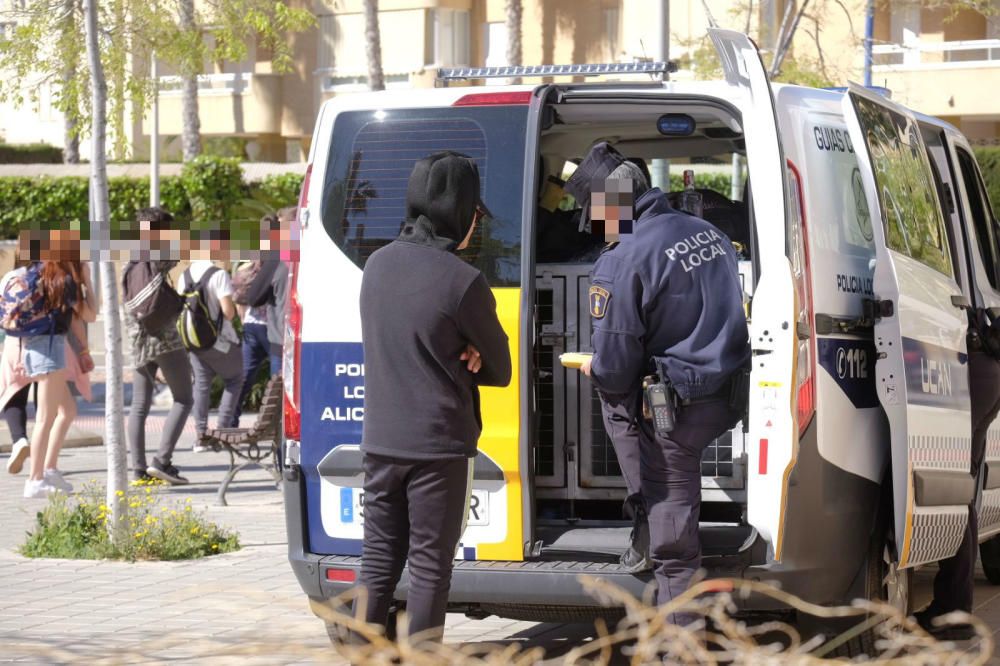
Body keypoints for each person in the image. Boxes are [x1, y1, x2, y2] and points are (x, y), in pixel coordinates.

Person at [565, 142, 750, 623]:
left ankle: (679, 640)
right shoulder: (706, 230)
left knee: (675, 552)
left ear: (612, 206)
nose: (594, 226)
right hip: (728, 395)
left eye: (595, 215)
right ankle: (650, 512)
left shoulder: (622, 259)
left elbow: (615, 367)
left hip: (677, 411)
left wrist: (593, 366)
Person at [354, 151, 511, 644]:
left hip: (379, 440)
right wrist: (470, 352)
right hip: (439, 447)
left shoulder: (376, 266)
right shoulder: (463, 281)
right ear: (460, 214)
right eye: (475, 215)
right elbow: (502, 369)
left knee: (377, 562)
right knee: (428, 568)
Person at [915, 309, 1000, 639]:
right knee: (961, 490)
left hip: (977, 370)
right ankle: (955, 608)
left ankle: (954, 611)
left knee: (956, 491)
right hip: (987, 370)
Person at [2, 258, 97, 498]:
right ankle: (35, 480)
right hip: (49, 348)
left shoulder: (39, 273)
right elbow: (90, 314)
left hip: (32, 345)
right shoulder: (63, 280)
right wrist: (86, 279)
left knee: (68, 410)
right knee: (46, 417)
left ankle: (50, 468)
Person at [124, 207, 194, 484]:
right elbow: (181, 252)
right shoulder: (158, 251)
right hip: (162, 337)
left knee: (139, 404)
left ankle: (138, 469)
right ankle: (162, 461)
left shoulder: (132, 256)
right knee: (184, 398)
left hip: (137, 337)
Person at [177, 233, 244, 448]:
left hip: (194, 342)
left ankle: (201, 435)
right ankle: (222, 431)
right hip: (219, 341)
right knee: (234, 379)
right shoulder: (219, 275)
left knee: (201, 385)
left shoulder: (184, 276)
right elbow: (228, 312)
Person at [230, 209, 291, 427]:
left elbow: (252, 295)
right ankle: (281, 434)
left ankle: (229, 420)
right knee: (283, 387)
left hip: (260, 327)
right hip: (278, 330)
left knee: (246, 378)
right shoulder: (289, 254)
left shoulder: (266, 253)